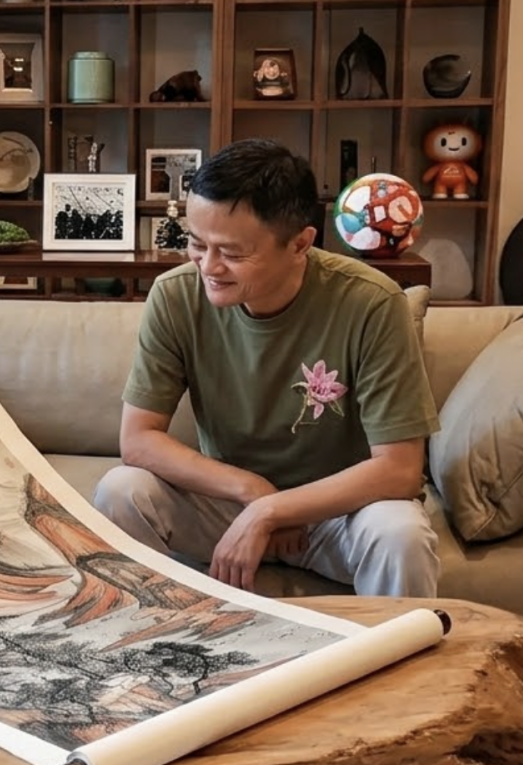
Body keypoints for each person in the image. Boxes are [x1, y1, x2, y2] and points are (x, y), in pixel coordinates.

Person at [92, 138, 440, 598]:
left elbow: (399, 469)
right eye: (197, 243)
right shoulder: (175, 296)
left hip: (339, 514)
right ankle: (147, 638)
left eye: (232, 253)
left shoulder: (371, 302)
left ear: (300, 244)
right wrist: (252, 492)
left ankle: (399, 646)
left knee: (401, 535)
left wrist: (273, 511)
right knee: (121, 491)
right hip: (228, 505)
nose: (208, 267)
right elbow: (138, 441)